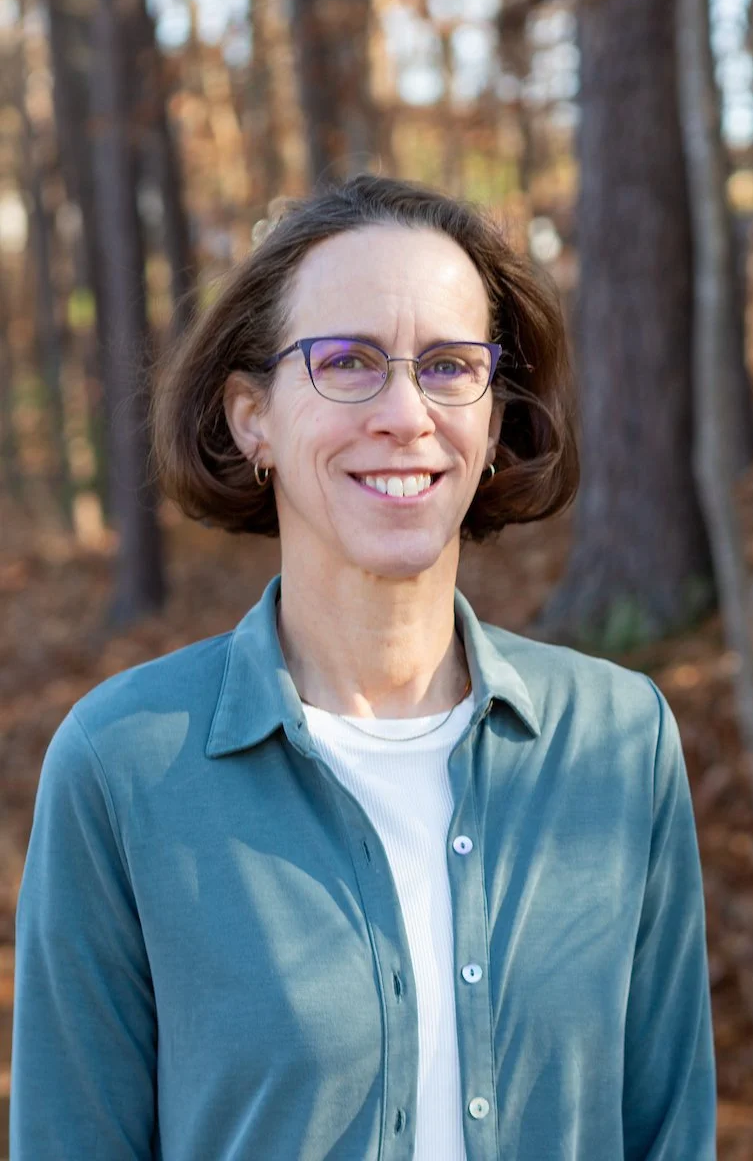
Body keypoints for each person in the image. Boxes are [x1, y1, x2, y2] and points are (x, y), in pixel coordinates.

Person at [11, 175, 716, 1160]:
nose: (404, 413)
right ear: (252, 416)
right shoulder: (124, 766)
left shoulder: (618, 740)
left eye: (445, 365)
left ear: (494, 413)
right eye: (346, 362)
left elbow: (668, 1132)